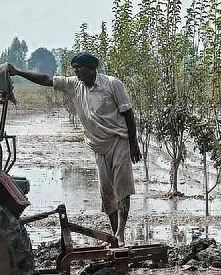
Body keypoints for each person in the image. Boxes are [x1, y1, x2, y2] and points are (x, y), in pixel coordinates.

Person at [12, 52, 141, 245]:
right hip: (98, 146)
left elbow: (128, 113)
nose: (76, 71)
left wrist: (134, 144)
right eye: (74, 68)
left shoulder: (112, 84)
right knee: (107, 192)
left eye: (79, 67)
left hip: (118, 141)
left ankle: (121, 233)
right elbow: (47, 80)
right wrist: (18, 72)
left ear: (91, 68)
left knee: (122, 188)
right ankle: (114, 234)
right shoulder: (74, 84)